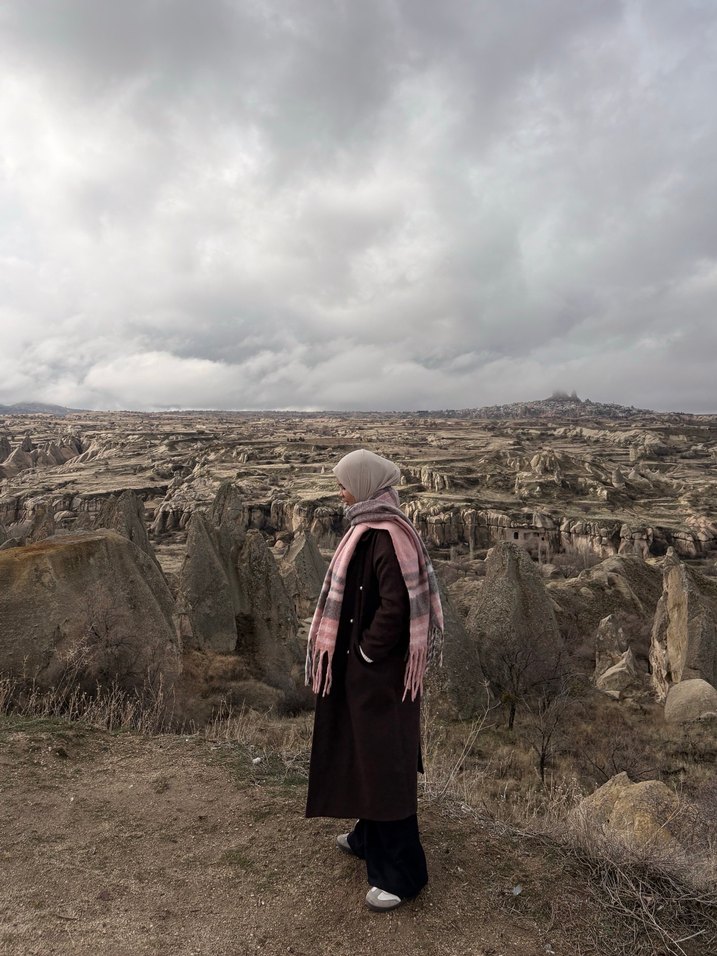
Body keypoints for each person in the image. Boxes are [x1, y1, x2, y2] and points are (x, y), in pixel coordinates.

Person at [305, 448, 443, 912]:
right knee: (366, 755)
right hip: (368, 677)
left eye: (344, 483)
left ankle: (403, 875)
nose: (339, 491)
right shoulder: (371, 528)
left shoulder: (384, 536)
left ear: (364, 485)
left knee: (386, 766)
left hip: (380, 680)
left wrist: (365, 652)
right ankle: (368, 836)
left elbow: (396, 607)